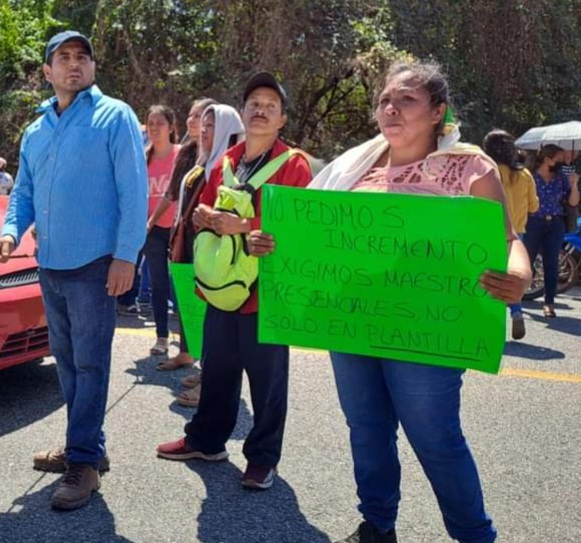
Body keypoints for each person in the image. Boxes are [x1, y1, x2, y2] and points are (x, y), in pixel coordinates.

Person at [248, 61, 531, 541]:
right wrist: (270, 245)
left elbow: (507, 240)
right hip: (352, 325)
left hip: (429, 330)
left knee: (436, 438)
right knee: (367, 430)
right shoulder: (353, 167)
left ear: (438, 112)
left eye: (407, 99)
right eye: (384, 100)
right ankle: (377, 525)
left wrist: (518, 275)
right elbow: (309, 239)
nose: (391, 108)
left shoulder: (470, 167)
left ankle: (474, 535)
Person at [0, 30, 147, 510]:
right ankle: (86, 445)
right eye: (62, 58)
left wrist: (127, 256)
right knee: (64, 360)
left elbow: (133, 189)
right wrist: (10, 231)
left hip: (95, 266)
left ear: (92, 68)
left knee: (90, 363)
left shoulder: (114, 116)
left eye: (82, 57)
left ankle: (82, 463)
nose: (73, 65)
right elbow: (22, 192)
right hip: (50, 266)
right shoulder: (36, 130)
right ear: (47, 71)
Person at [156, 72, 312, 490]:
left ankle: (262, 458)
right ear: (242, 113)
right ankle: (206, 440)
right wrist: (206, 217)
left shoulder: (294, 163)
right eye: (253, 103)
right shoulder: (226, 159)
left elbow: (301, 226)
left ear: (282, 119)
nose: (260, 110)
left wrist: (242, 225)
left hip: (267, 291)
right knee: (219, 370)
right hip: (222, 286)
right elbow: (205, 207)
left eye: (270, 105)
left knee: (267, 381)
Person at [157, 104, 245, 409]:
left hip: (213, 255)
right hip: (191, 245)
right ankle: (205, 370)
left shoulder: (230, 166)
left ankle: (213, 384)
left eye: (211, 125)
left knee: (215, 322)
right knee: (200, 317)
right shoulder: (204, 160)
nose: (204, 130)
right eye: (202, 124)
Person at [148, 97, 217, 371]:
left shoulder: (225, 152)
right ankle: (187, 352)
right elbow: (171, 191)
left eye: (200, 116)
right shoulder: (189, 152)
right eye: (191, 115)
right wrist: (151, 221)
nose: (192, 121)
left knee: (209, 299)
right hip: (182, 235)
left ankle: (209, 369)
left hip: (210, 237)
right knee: (185, 294)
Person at [483, 129, 539, 339]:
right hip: (517, 237)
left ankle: (489, 323)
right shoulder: (525, 175)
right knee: (510, 280)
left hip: (488, 232)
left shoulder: (486, 170)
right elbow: (534, 207)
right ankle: (516, 312)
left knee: (487, 278)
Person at [141, 105, 181, 356]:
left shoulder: (182, 154)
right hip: (151, 230)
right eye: (150, 123)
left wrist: (152, 219)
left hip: (177, 227)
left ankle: (190, 340)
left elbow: (174, 192)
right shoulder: (142, 156)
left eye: (160, 123)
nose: (154, 128)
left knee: (183, 280)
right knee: (158, 282)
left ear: (172, 127)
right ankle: (162, 336)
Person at [523, 144, 580, 318]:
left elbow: (572, 202)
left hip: (555, 224)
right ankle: (516, 299)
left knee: (551, 264)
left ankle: (549, 303)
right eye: (559, 159)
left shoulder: (562, 178)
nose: (563, 162)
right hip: (533, 222)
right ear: (547, 159)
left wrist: (574, 184)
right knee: (526, 262)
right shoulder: (530, 177)